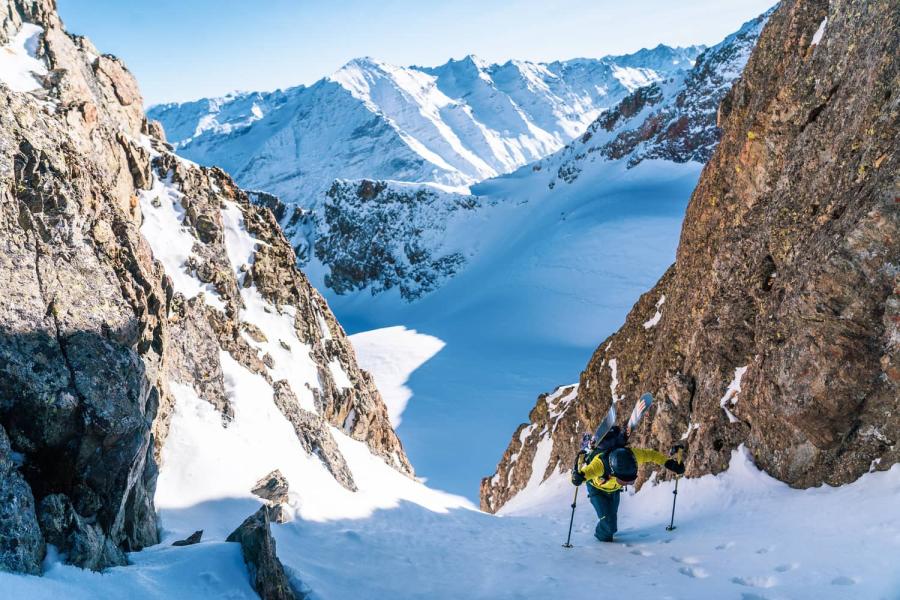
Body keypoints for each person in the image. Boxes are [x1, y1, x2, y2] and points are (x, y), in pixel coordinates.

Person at [571, 425, 684, 542]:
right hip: (597, 491)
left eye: (629, 481)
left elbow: (651, 455)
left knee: (612, 521)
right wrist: (577, 477)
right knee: (609, 524)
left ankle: (606, 534)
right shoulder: (599, 464)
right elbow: (582, 475)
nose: (625, 484)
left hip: (614, 491)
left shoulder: (632, 455)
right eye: (623, 481)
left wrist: (670, 464)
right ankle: (602, 541)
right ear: (613, 471)